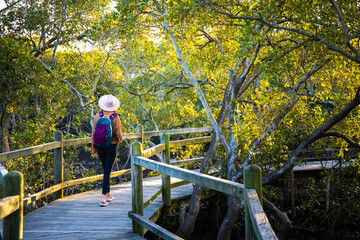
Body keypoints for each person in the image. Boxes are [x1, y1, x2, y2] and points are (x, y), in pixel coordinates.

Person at [92, 94, 123, 207]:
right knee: (107, 172)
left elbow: (93, 134)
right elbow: (119, 135)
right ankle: (103, 198)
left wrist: (94, 148)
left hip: (100, 147)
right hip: (111, 147)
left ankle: (109, 195)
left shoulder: (97, 115)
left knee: (106, 170)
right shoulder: (115, 117)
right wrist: (116, 141)